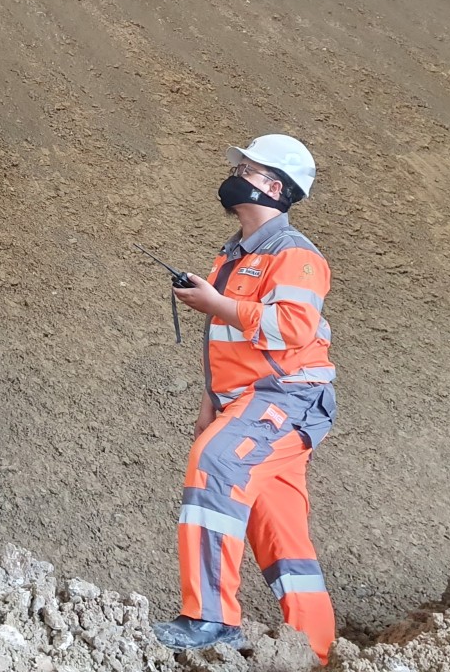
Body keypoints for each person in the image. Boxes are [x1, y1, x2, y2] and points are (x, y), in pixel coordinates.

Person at [153, 134, 338, 664]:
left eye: (248, 171)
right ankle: (319, 653)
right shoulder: (234, 254)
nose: (235, 177)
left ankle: (210, 618)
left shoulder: (295, 255)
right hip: (250, 401)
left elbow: (293, 328)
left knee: (216, 465)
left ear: (275, 188)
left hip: (287, 397)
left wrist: (217, 304)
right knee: (281, 531)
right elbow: (228, 342)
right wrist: (211, 403)